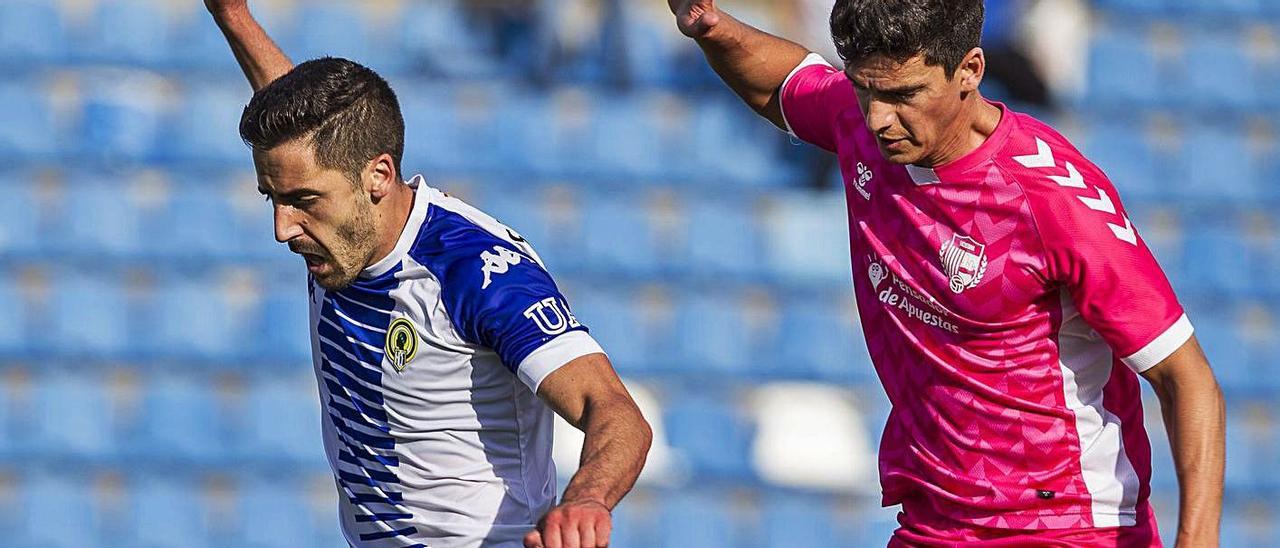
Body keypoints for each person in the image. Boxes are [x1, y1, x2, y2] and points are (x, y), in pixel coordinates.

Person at [666, 0, 1224, 545]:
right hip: (933, 525)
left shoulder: (1052, 200)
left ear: (970, 71)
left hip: (1064, 526)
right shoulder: (866, 124)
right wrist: (710, 27)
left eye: (904, 95)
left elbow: (1187, 377)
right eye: (865, 88)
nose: (880, 119)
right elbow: (780, 82)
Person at [205, 2, 652, 547]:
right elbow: (299, 120)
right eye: (273, 199)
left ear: (378, 175)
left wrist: (586, 499)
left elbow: (616, 414)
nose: (283, 228)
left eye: (301, 201)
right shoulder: (337, 220)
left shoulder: (476, 271)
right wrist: (231, 15)